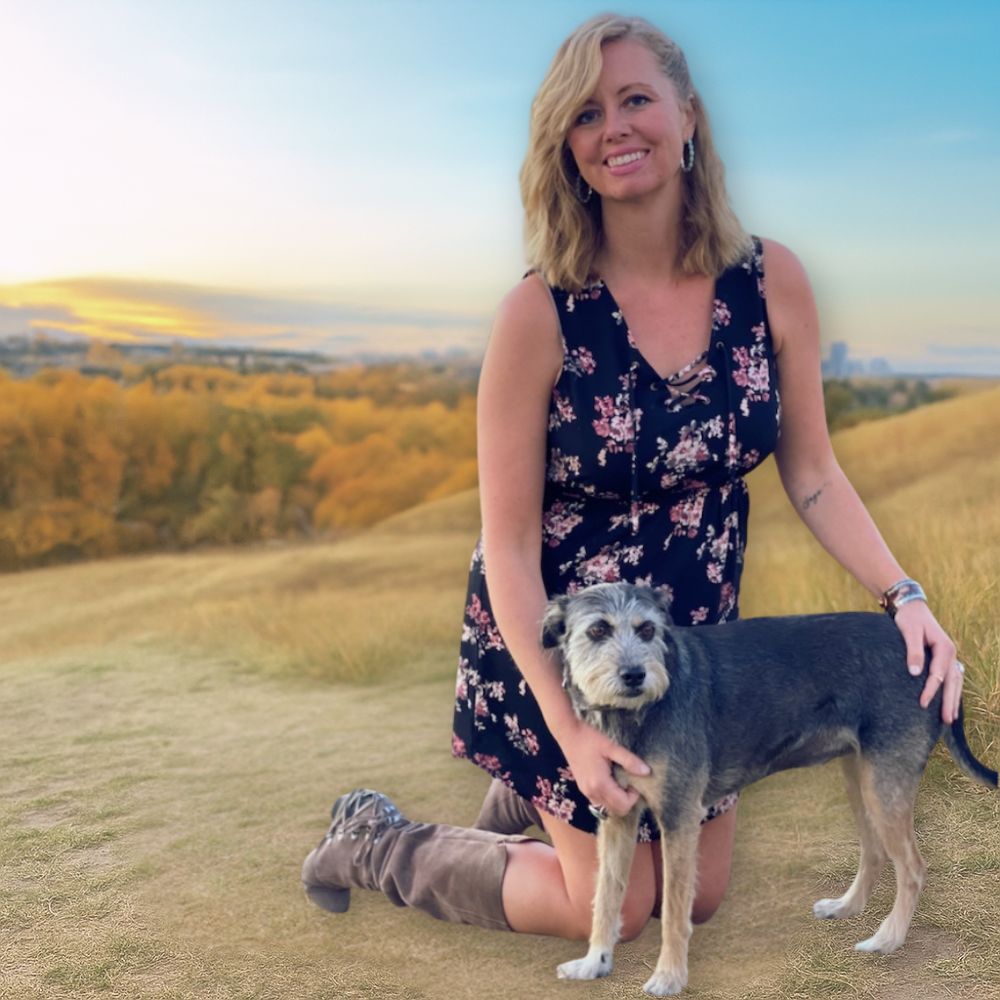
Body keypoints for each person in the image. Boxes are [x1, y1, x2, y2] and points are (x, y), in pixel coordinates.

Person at [301, 12, 963, 943]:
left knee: (694, 894)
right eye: (585, 113)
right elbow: (511, 545)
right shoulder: (538, 313)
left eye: (637, 99)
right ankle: (375, 841)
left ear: (688, 117)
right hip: (559, 643)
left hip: (690, 654)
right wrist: (569, 728)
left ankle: (528, 801)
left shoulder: (773, 282)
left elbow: (813, 473)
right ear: (567, 150)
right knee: (618, 904)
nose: (614, 126)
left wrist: (903, 597)